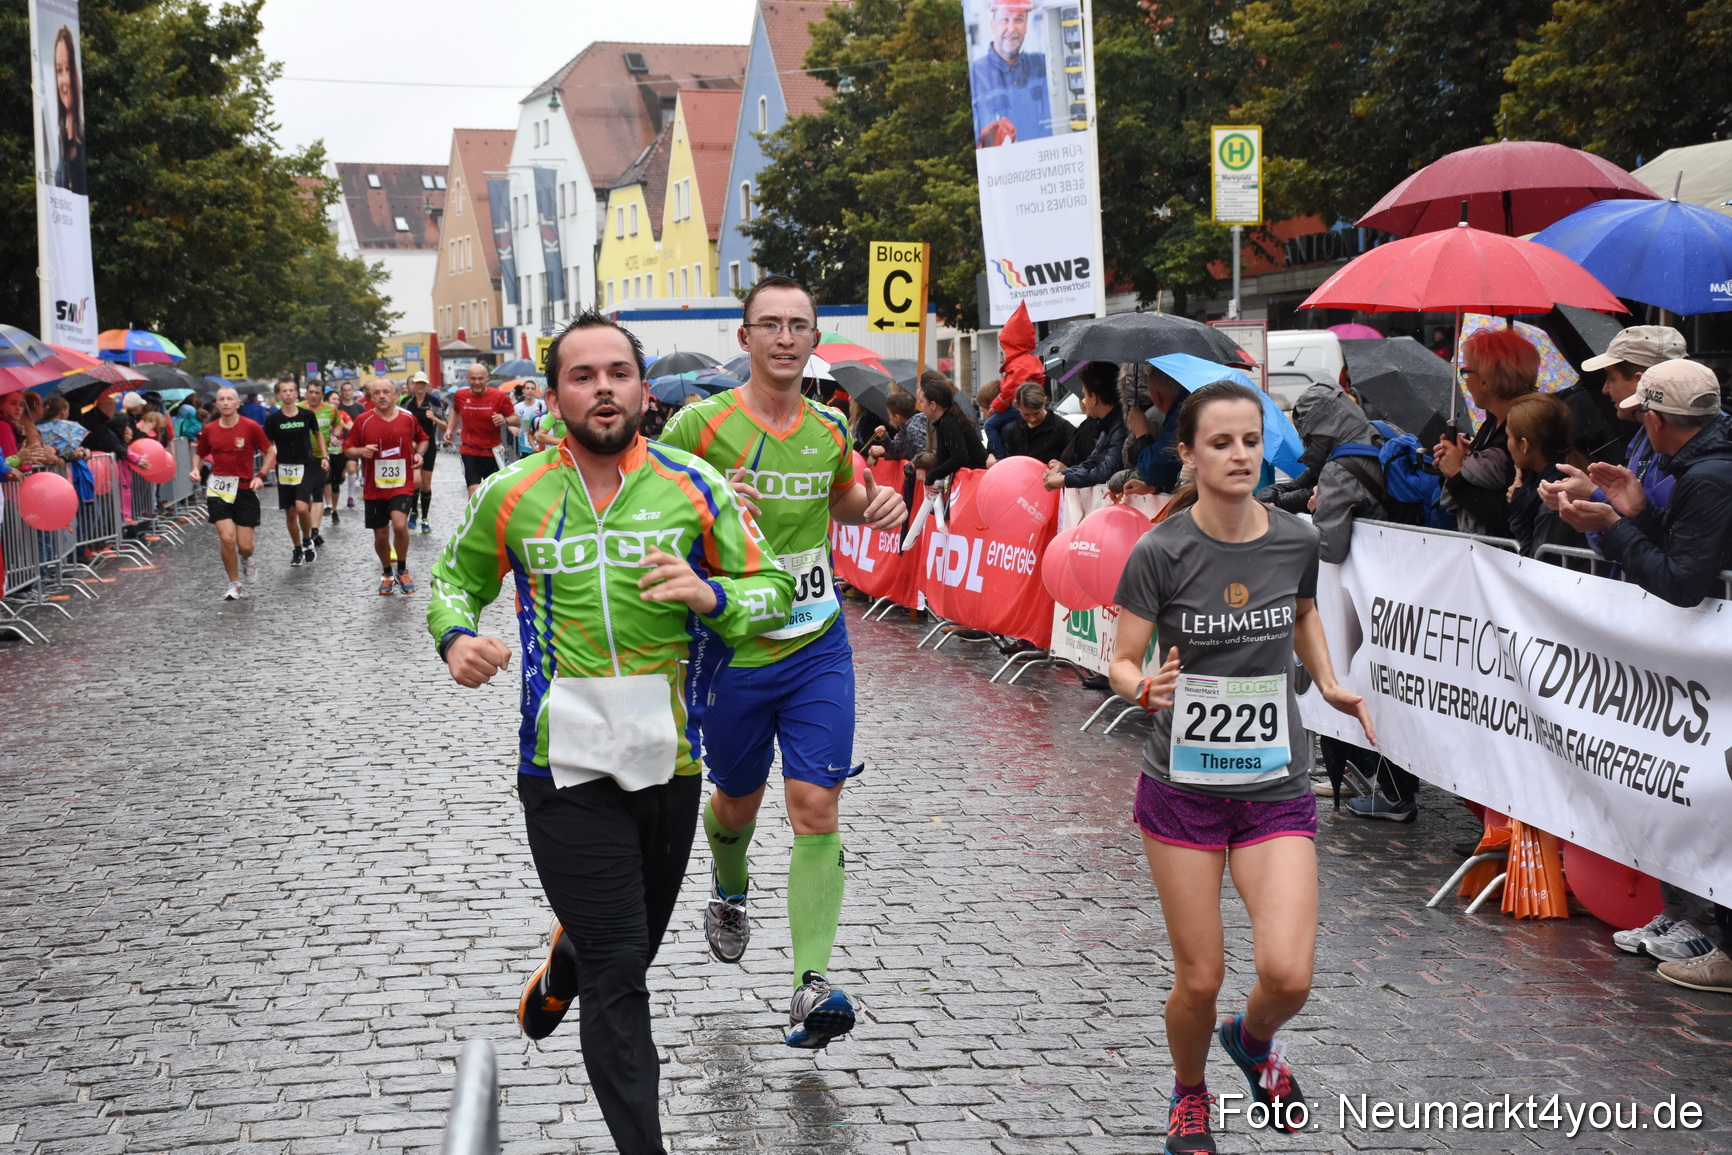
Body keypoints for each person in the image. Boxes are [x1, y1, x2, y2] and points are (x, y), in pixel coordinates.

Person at [428, 310, 793, 1155]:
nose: (602, 389)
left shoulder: (694, 485)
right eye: (583, 375)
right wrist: (455, 638)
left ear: (642, 387)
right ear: (554, 393)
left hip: (670, 760)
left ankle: (567, 960)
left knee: (622, 952)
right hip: (562, 766)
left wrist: (713, 597)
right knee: (623, 969)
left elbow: (774, 591)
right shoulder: (510, 492)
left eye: (617, 373)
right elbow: (452, 582)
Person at [1106, 381, 1375, 1153]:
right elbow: (1124, 658)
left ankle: (1252, 1042)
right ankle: (1189, 1096)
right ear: (1187, 453)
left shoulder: (1293, 536)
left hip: (1272, 786)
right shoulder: (1161, 550)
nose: (1240, 455)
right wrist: (1142, 688)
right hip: (1183, 790)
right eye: (1220, 442)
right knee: (1199, 977)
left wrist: (1325, 679)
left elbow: (1300, 611)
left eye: (1251, 441)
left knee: (1288, 975)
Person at [659, 275, 907, 1049]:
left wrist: (877, 503)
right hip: (731, 646)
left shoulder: (831, 426)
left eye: (800, 324)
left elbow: (841, 498)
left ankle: (812, 984)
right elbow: (645, 507)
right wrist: (703, 500)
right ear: (745, 339)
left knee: (816, 803)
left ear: (813, 339)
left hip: (815, 638)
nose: (786, 337)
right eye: (770, 324)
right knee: (737, 802)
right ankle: (729, 888)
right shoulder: (699, 425)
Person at [1555, 359, 1732, 607]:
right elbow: (1692, 544)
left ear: (1655, 420)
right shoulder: (1711, 461)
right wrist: (1641, 512)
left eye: (1640, 413)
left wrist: (1612, 526)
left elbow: (1681, 585)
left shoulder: (1707, 477)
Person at [1432, 327, 1538, 538]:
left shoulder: (1524, 431)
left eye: (1466, 372)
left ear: (1486, 381)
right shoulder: (1494, 423)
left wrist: (1457, 474)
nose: (1465, 380)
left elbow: (1509, 515)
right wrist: (1466, 459)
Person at [189, 386, 274, 601]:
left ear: (238, 404)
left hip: (245, 488)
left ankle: (246, 559)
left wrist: (261, 476)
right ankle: (234, 584)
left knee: (244, 546)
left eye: (230, 399)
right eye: (221, 399)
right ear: (216, 405)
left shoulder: (251, 426)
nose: (226, 403)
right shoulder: (210, 429)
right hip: (218, 488)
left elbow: (270, 451)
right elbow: (199, 453)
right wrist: (195, 469)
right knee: (227, 538)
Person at [345, 378, 428, 597]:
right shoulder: (363, 420)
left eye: (386, 392)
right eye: (377, 392)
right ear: (371, 397)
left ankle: (402, 569)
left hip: (402, 483)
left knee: (400, 526)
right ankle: (387, 573)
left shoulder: (408, 419)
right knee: (381, 535)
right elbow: (348, 449)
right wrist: (361, 451)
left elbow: (423, 439)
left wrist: (419, 453)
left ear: (394, 395)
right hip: (374, 487)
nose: (382, 396)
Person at [1503, 393, 1588, 559]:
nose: (1508, 444)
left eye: (1509, 436)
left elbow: (1535, 566)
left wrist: (1518, 508)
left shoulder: (1554, 501)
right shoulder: (1544, 485)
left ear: (1524, 445)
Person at [263, 378, 327, 567]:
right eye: (284, 391)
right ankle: (297, 547)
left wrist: (324, 456)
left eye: (292, 390)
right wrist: (269, 458)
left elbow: (318, 434)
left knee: (301, 507)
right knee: (290, 512)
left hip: (306, 466)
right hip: (284, 469)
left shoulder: (306, 415)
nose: (288, 394)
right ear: (279, 395)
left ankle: (307, 540)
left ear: (297, 393)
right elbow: (267, 445)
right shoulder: (273, 420)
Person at [969, 0, 1049, 147]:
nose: (1011, 29)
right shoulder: (976, 75)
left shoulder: (1043, 65)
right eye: (1005, 20)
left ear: (1026, 26)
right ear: (993, 25)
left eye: (1019, 20)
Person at [1044, 363, 1126, 490]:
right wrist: (1062, 475)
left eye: (1085, 395)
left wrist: (1064, 479)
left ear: (1094, 398)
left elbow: (1106, 472)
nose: (1085, 401)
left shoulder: (1120, 425)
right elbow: (1092, 462)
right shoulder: (1106, 423)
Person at [981, 302, 1045, 457]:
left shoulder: (1020, 363)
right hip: (1022, 405)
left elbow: (1012, 387)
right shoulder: (1029, 359)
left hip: (1017, 406)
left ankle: (999, 459)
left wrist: (997, 404)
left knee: (989, 425)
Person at [446, 362, 519, 495]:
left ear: (487, 378)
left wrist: (505, 420)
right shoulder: (460, 395)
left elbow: (515, 418)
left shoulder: (498, 396)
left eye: (480, 378)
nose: (477, 382)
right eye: (473, 378)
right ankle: (473, 516)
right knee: (473, 491)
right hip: (469, 451)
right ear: (467, 379)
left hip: (492, 452)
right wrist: (449, 429)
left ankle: (491, 516)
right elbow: (455, 411)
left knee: (492, 493)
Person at [399, 370, 449, 534]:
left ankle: (425, 518)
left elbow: (446, 426)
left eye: (423, 384)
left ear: (427, 386)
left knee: (426, 484)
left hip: (430, 446)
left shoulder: (434, 401)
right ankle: (413, 512)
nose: (420, 387)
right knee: (415, 482)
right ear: (412, 385)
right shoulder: (406, 402)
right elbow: (399, 424)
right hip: (411, 446)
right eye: (417, 383)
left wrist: (433, 418)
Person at [916, 373, 987, 486]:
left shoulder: (950, 423)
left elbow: (959, 457)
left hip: (977, 479)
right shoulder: (942, 421)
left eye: (922, 402)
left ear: (933, 405)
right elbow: (943, 457)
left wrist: (933, 475)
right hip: (971, 479)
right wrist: (934, 476)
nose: (920, 406)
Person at [50, 25, 86, 195]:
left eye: (68, 68)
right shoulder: (62, 136)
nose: (63, 81)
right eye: (59, 70)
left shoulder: (84, 137)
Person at [999, 383, 1071, 462]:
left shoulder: (1062, 428)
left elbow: (1077, 462)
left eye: (1037, 413)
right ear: (1017, 405)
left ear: (1045, 401)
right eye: (1026, 414)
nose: (1032, 419)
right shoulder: (1014, 430)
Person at [333, 381, 366, 507]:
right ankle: (339, 481)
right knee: (339, 475)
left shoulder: (359, 407)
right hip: (338, 445)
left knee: (351, 468)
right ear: (341, 393)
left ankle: (350, 497)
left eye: (349, 390)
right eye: (344, 390)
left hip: (353, 444)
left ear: (353, 391)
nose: (347, 392)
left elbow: (362, 425)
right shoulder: (337, 407)